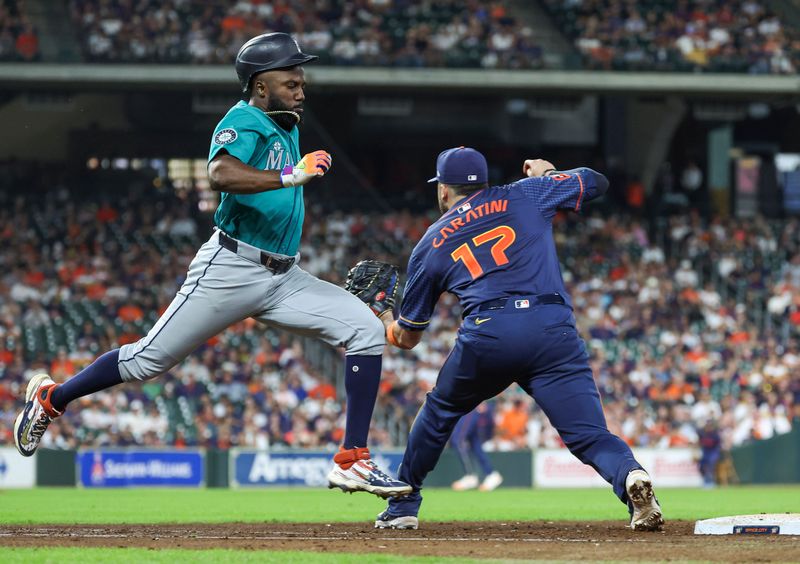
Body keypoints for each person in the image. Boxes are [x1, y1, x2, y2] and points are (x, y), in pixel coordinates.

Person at [13, 32, 410, 500]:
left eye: (302, 81)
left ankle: (352, 460)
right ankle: (51, 400)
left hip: (284, 277)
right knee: (146, 361)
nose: (302, 90)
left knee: (364, 330)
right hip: (231, 268)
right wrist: (290, 174)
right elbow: (219, 173)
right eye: (291, 82)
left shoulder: (286, 122)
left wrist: (293, 170)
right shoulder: (243, 118)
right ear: (261, 85)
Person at [373, 147, 664, 530]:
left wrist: (381, 311)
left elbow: (406, 337)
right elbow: (597, 182)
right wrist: (549, 174)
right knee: (588, 434)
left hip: (489, 332)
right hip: (551, 329)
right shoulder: (525, 192)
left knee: (439, 413)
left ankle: (402, 507)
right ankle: (631, 477)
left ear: (444, 190)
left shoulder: (431, 242)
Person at [450, 402, 503, 491]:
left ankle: (470, 476)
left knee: (458, 440)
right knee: (475, 444)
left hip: (472, 406)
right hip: (470, 406)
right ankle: (491, 474)